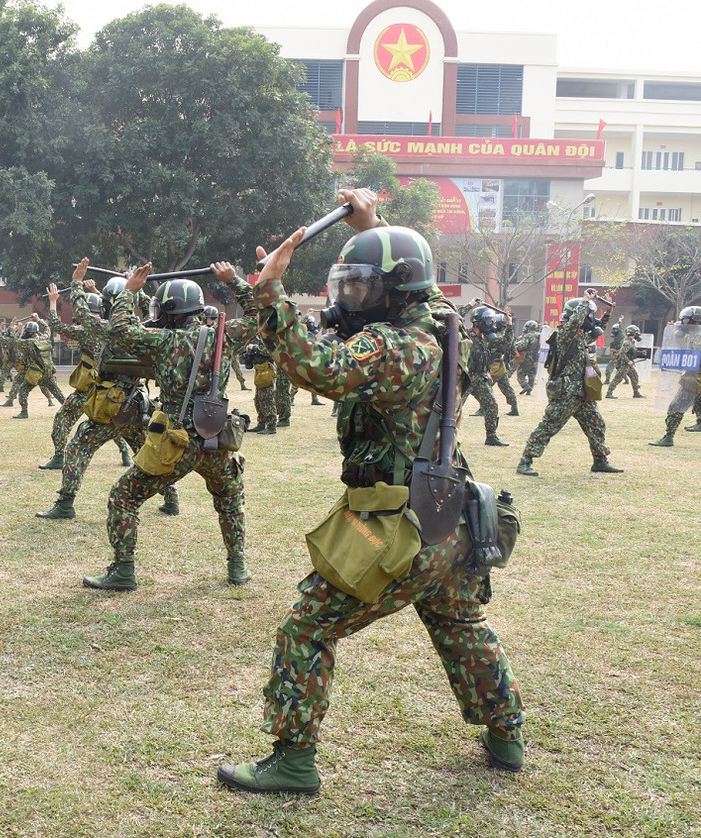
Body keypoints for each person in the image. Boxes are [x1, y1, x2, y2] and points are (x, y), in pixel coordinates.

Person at [217, 189, 525, 796]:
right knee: (461, 623)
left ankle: (293, 759)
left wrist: (270, 288)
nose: (349, 298)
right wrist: (375, 227)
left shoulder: (392, 347)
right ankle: (505, 732)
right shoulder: (439, 324)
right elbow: (421, 283)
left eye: (361, 287)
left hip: (399, 527)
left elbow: (317, 367)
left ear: (394, 291)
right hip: (451, 520)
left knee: (306, 629)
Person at [82, 267, 254, 591]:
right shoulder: (224, 336)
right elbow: (260, 312)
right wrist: (232, 280)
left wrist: (130, 290)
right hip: (218, 438)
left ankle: (123, 571)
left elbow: (118, 330)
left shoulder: (164, 340)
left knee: (123, 497)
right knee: (230, 498)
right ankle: (237, 565)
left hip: (179, 441)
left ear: (169, 313)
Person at [517, 291, 623, 477]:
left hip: (582, 393)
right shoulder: (564, 336)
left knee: (597, 424)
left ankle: (600, 461)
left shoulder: (579, 338)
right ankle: (525, 461)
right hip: (566, 393)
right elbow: (574, 323)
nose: (589, 319)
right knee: (548, 426)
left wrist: (606, 313)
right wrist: (584, 302)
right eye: (587, 315)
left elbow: (594, 331)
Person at [38, 282, 131, 471]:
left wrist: (53, 302)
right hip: (109, 388)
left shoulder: (85, 331)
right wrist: (96, 292)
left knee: (63, 418)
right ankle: (126, 453)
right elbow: (112, 309)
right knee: (109, 422)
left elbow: (56, 325)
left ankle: (58, 457)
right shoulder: (112, 327)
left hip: (88, 388)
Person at [650, 306, 701, 447]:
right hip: (694, 375)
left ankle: (668, 436)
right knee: (698, 402)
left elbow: (690, 354)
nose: (682, 322)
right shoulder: (695, 334)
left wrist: (678, 335)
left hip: (694, 377)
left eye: (684, 320)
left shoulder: (697, 336)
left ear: (695, 321)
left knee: (676, 406)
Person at [465, 305, 510, 446]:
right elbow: (453, 319)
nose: (490, 324)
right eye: (488, 321)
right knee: (453, 409)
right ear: (477, 322)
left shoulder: (486, 340)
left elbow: (506, 341)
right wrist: (470, 305)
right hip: (465, 379)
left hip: (481, 378)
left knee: (492, 406)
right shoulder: (464, 335)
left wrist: (509, 323)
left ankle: (491, 436)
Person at [605, 324, 647, 399]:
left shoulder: (631, 342)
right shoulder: (627, 342)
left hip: (628, 365)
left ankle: (636, 393)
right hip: (624, 364)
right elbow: (621, 353)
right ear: (632, 333)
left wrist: (641, 353)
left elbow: (632, 352)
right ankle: (609, 393)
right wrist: (628, 361)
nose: (637, 335)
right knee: (618, 378)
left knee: (635, 376)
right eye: (636, 333)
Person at [514, 320, 541, 395]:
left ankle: (525, 386)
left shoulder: (528, 336)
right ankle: (529, 390)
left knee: (520, 374)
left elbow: (523, 346)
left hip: (527, 357)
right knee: (532, 374)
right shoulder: (540, 335)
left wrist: (516, 346)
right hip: (536, 357)